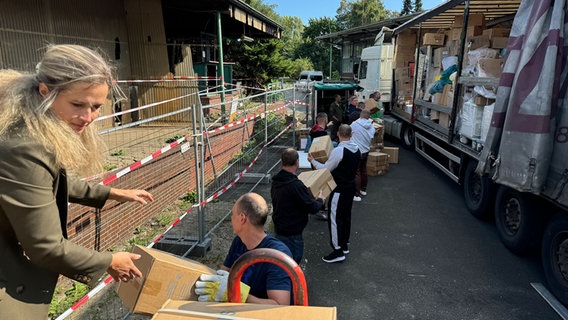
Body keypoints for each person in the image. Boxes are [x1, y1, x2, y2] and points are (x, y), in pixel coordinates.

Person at [0, 44, 154, 319]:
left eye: (96, 107)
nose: (88, 117)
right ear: (46, 91)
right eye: (78, 105)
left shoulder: (25, 122)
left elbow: (44, 183)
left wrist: (110, 193)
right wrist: (108, 261)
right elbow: (45, 246)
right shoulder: (26, 147)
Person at [197, 193, 293, 305]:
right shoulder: (239, 242)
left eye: (233, 215)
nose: (232, 219)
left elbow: (280, 305)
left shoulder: (276, 254)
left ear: (242, 218)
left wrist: (237, 293)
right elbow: (224, 272)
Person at [308, 125, 360, 263]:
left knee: (335, 218)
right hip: (350, 188)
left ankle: (337, 251)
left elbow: (325, 169)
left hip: (339, 189)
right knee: (346, 215)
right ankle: (344, 244)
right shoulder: (357, 149)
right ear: (351, 134)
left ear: (338, 134)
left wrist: (312, 160)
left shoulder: (339, 151)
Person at [271, 148, 325, 263]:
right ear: (297, 162)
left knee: (282, 263)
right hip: (292, 234)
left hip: (280, 229)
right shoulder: (295, 185)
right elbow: (312, 208)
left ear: (282, 162)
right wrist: (320, 199)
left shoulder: (276, 181)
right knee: (292, 265)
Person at [351, 109, 376, 201]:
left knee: (356, 172)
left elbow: (348, 133)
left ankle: (356, 194)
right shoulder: (371, 126)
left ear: (361, 115)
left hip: (357, 151)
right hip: (366, 151)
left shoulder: (355, 124)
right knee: (363, 170)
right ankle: (363, 189)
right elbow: (372, 136)